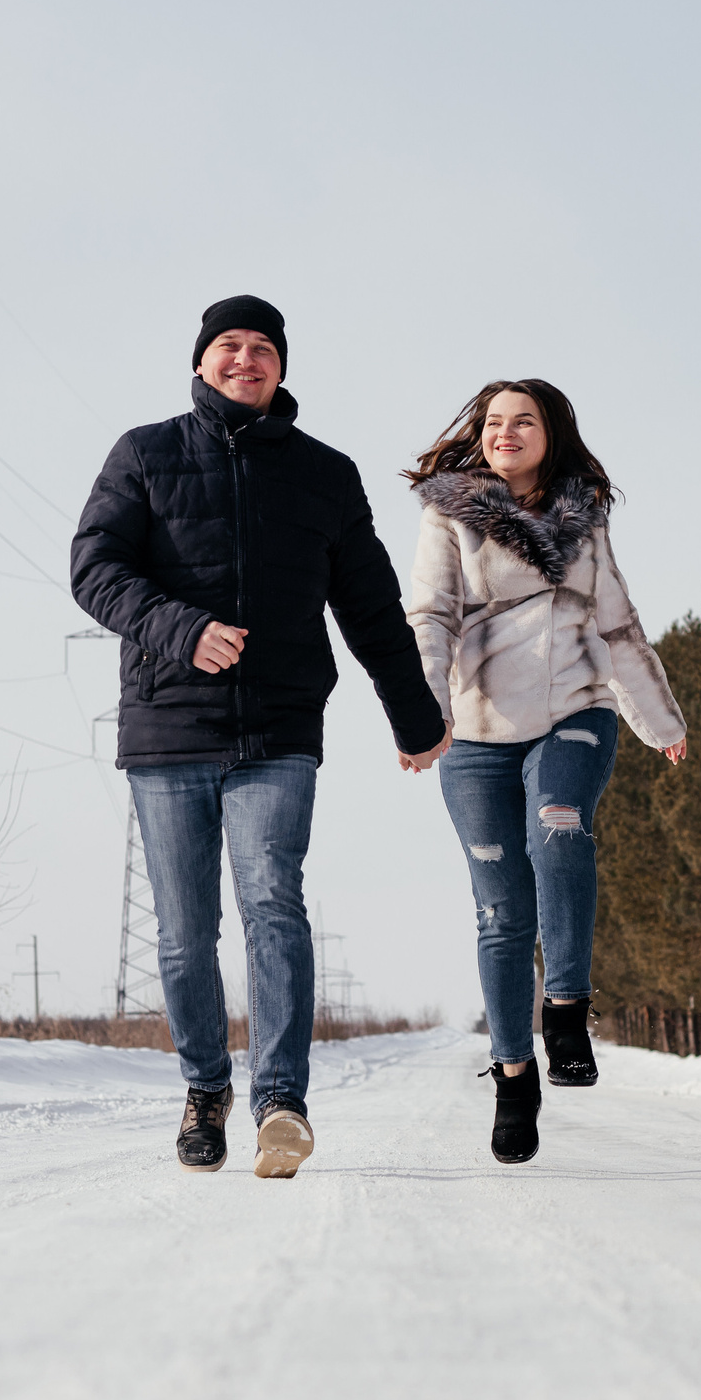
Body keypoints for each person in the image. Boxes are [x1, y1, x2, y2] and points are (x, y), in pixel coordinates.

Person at [72, 295, 449, 1178]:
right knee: (182, 932)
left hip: (279, 725)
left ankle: (282, 1100)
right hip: (168, 725)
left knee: (272, 903)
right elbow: (94, 567)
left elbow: (368, 605)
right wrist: (177, 627)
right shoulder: (145, 454)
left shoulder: (324, 473)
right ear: (202, 362)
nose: (247, 359)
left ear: (282, 367)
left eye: (264, 348)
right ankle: (206, 1090)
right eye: (229, 346)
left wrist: (415, 713)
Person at [402, 379, 687, 1163]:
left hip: (574, 711)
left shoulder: (582, 519)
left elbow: (618, 624)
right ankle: (513, 1073)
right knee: (500, 912)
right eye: (494, 422)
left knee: (558, 826)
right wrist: (425, 715)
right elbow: (428, 617)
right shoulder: (448, 515)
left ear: (549, 433)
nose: (505, 432)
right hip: (477, 731)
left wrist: (658, 719)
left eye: (522, 420)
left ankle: (564, 1008)